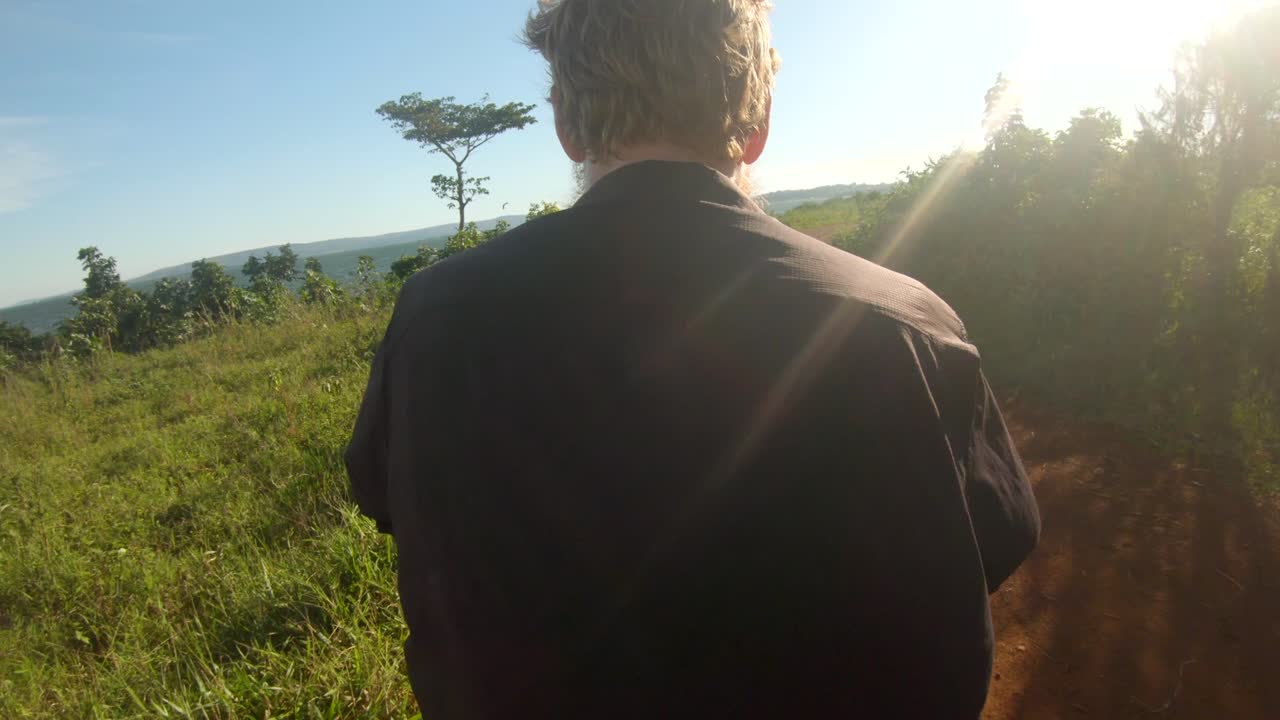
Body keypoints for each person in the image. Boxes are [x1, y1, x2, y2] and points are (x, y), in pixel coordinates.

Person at [346, 0, 1040, 716]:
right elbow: (995, 538)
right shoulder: (908, 324)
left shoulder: (433, 319)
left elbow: (388, 499)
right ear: (759, 124)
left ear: (565, 126)